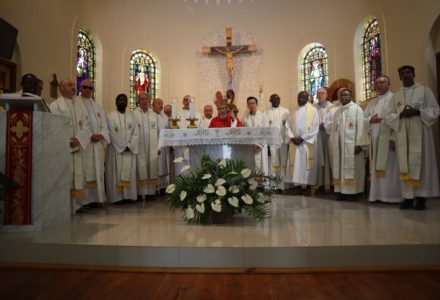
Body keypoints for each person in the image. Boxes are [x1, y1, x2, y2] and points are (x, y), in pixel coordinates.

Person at [383, 65, 440, 210]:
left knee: (422, 163)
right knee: (405, 164)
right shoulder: (396, 96)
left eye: (408, 72)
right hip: (402, 135)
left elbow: (435, 109)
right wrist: (400, 115)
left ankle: (421, 198)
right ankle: (408, 197)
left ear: (413, 74)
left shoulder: (425, 91)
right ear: (400, 77)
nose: (405, 75)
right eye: (402, 73)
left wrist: (419, 112)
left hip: (421, 135)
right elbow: (388, 115)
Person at [49, 79, 92, 214]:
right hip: (64, 149)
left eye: (73, 85)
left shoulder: (80, 106)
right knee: (66, 176)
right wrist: (67, 140)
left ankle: (77, 205)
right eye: (69, 85)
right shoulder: (55, 106)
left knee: (77, 176)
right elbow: (53, 126)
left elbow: (86, 126)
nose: (73, 87)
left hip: (78, 147)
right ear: (61, 89)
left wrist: (79, 139)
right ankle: (64, 206)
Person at [364, 75, 401, 203]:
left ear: (388, 84)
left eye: (382, 82)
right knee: (376, 167)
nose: (379, 85)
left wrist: (393, 138)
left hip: (389, 141)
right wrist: (370, 120)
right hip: (375, 141)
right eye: (377, 83)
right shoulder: (372, 102)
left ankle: (392, 196)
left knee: (391, 168)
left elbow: (398, 119)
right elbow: (364, 119)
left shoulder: (395, 99)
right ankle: (377, 195)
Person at [330, 88, 369, 200]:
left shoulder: (357, 110)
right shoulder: (337, 112)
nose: (343, 97)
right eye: (341, 96)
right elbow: (334, 130)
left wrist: (359, 144)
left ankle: (354, 192)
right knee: (341, 169)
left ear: (351, 96)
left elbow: (361, 128)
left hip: (353, 146)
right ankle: (342, 191)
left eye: (346, 95)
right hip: (340, 147)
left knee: (353, 169)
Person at [78, 79, 110, 208]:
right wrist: (90, 136)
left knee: (97, 171)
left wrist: (101, 135)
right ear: (81, 88)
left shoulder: (97, 107)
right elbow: (79, 125)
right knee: (85, 172)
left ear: (93, 91)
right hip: (85, 145)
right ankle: (84, 201)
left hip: (97, 146)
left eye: (90, 88)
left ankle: (97, 199)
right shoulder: (76, 104)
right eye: (85, 87)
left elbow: (104, 124)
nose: (87, 90)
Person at [106, 93, 139, 205]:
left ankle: (128, 196)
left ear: (127, 103)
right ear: (116, 102)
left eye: (124, 100)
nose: (122, 102)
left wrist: (130, 146)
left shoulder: (132, 117)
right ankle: (117, 198)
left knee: (129, 173)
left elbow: (136, 133)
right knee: (116, 173)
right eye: (119, 100)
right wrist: (122, 146)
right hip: (116, 151)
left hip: (129, 150)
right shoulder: (110, 116)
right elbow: (112, 133)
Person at [284, 91, 319, 195]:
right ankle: (297, 187)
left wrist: (303, 138)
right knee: (295, 165)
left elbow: (315, 126)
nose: (300, 100)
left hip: (306, 143)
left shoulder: (313, 110)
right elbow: (287, 126)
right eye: (299, 98)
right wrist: (291, 137)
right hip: (294, 142)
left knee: (306, 165)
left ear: (307, 99)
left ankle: (308, 187)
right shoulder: (293, 110)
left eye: (303, 98)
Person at [133, 92, 160, 200]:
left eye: (146, 99)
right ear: (138, 101)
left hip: (152, 146)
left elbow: (159, 132)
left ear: (149, 101)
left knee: (151, 166)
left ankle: (151, 193)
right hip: (139, 146)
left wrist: (158, 146)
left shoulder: (154, 114)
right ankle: (140, 193)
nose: (144, 101)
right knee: (141, 167)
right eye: (142, 99)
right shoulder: (134, 114)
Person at [265, 93, 291, 190]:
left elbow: (289, 127)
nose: (276, 101)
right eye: (274, 99)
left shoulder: (286, 112)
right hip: (272, 143)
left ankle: (284, 186)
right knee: (274, 163)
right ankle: (274, 186)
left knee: (283, 162)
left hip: (283, 142)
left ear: (280, 99)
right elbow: (266, 130)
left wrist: (288, 142)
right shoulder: (266, 113)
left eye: (278, 99)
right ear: (270, 101)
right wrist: (267, 145)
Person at [313, 87, 333, 192]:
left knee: (329, 158)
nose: (320, 95)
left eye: (322, 93)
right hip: (317, 136)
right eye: (318, 93)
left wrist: (325, 125)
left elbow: (334, 121)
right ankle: (320, 184)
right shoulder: (313, 107)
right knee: (319, 159)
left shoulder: (332, 107)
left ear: (326, 94)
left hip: (328, 136)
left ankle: (331, 184)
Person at [243, 96, 269, 173]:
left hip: (261, 146)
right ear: (247, 105)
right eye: (249, 104)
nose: (251, 105)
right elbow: (245, 133)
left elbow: (266, 131)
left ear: (256, 104)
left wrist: (258, 144)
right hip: (251, 147)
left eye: (253, 103)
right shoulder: (245, 118)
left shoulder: (263, 116)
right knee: (252, 167)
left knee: (261, 167)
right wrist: (252, 143)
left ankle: (262, 185)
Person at [152, 98, 169, 192]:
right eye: (158, 104)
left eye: (161, 104)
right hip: (155, 145)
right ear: (153, 105)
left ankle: (163, 188)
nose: (161, 106)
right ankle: (154, 189)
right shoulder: (150, 116)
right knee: (155, 167)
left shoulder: (165, 117)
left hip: (164, 147)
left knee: (163, 166)